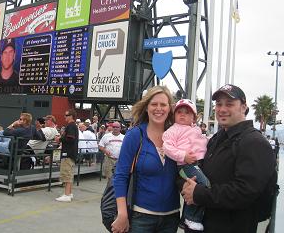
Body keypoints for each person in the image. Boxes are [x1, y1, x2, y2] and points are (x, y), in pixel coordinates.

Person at [181, 84, 276, 233]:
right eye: (219, 104)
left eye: (229, 104)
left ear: (243, 107)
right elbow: (202, 172)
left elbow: (245, 191)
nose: (222, 109)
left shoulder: (254, 142)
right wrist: (188, 185)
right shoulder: (216, 139)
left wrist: (199, 194)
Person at [112, 86, 180, 233]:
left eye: (163, 105)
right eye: (154, 104)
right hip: (141, 217)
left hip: (171, 217)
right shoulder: (135, 135)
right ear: (146, 107)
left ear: (170, 109)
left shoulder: (176, 136)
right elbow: (120, 176)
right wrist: (122, 213)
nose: (158, 108)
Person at [163, 99, 209, 231]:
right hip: (184, 165)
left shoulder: (195, 129)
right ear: (174, 115)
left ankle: (186, 219)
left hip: (197, 164)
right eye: (179, 112)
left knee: (198, 188)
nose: (183, 115)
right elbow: (167, 147)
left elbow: (202, 142)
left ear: (194, 117)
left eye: (187, 113)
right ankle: (191, 218)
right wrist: (183, 156)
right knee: (203, 186)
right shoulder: (173, 130)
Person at [54, 109, 79, 202]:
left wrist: (60, 139)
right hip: (70, 153)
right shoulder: (73, 126)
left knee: (66, 174)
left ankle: (67, 194)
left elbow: (70, 139)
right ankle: (69, 193)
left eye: (66, 115)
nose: (64, 116)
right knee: (70, 174)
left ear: (71, 116)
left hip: (68, 153)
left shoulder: (71, 126)